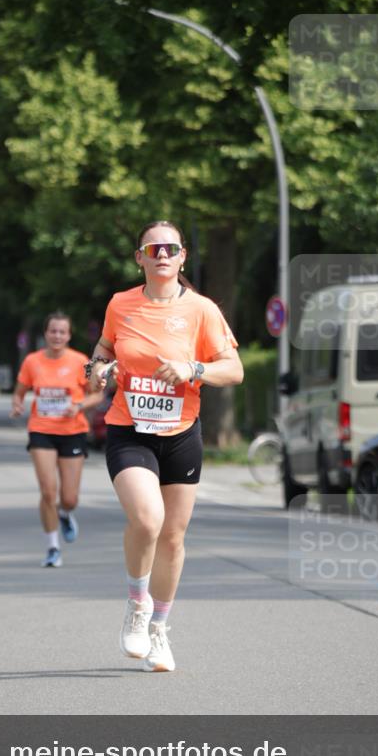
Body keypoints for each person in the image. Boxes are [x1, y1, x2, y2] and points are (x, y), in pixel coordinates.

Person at [87, 221, 243, 672]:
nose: (161, 254)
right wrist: (96, 369)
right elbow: (102, 348)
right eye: (153, 248)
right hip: (129, 427)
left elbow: (233, 369)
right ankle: (136, 606)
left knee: (173, 537)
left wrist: (192, 368)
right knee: (148, 519)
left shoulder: (202, 310)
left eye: (169, 248)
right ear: (140, 257)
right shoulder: (120, 304)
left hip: (181, 433)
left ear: (182, 257)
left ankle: (159, 630)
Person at [11, 312, 104, 568]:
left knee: (70, 498)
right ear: (46, 333)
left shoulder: (80, 361)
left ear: (69, 336)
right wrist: (17, 405)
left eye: (62, 332)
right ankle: (53, 547)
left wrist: (80, 405)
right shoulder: (32, 361)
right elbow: (19, 393)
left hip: (73, 430)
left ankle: (65, 514)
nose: (57, 336)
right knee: (48, 492)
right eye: (53, 331)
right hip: (41, 430)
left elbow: (97, 395)